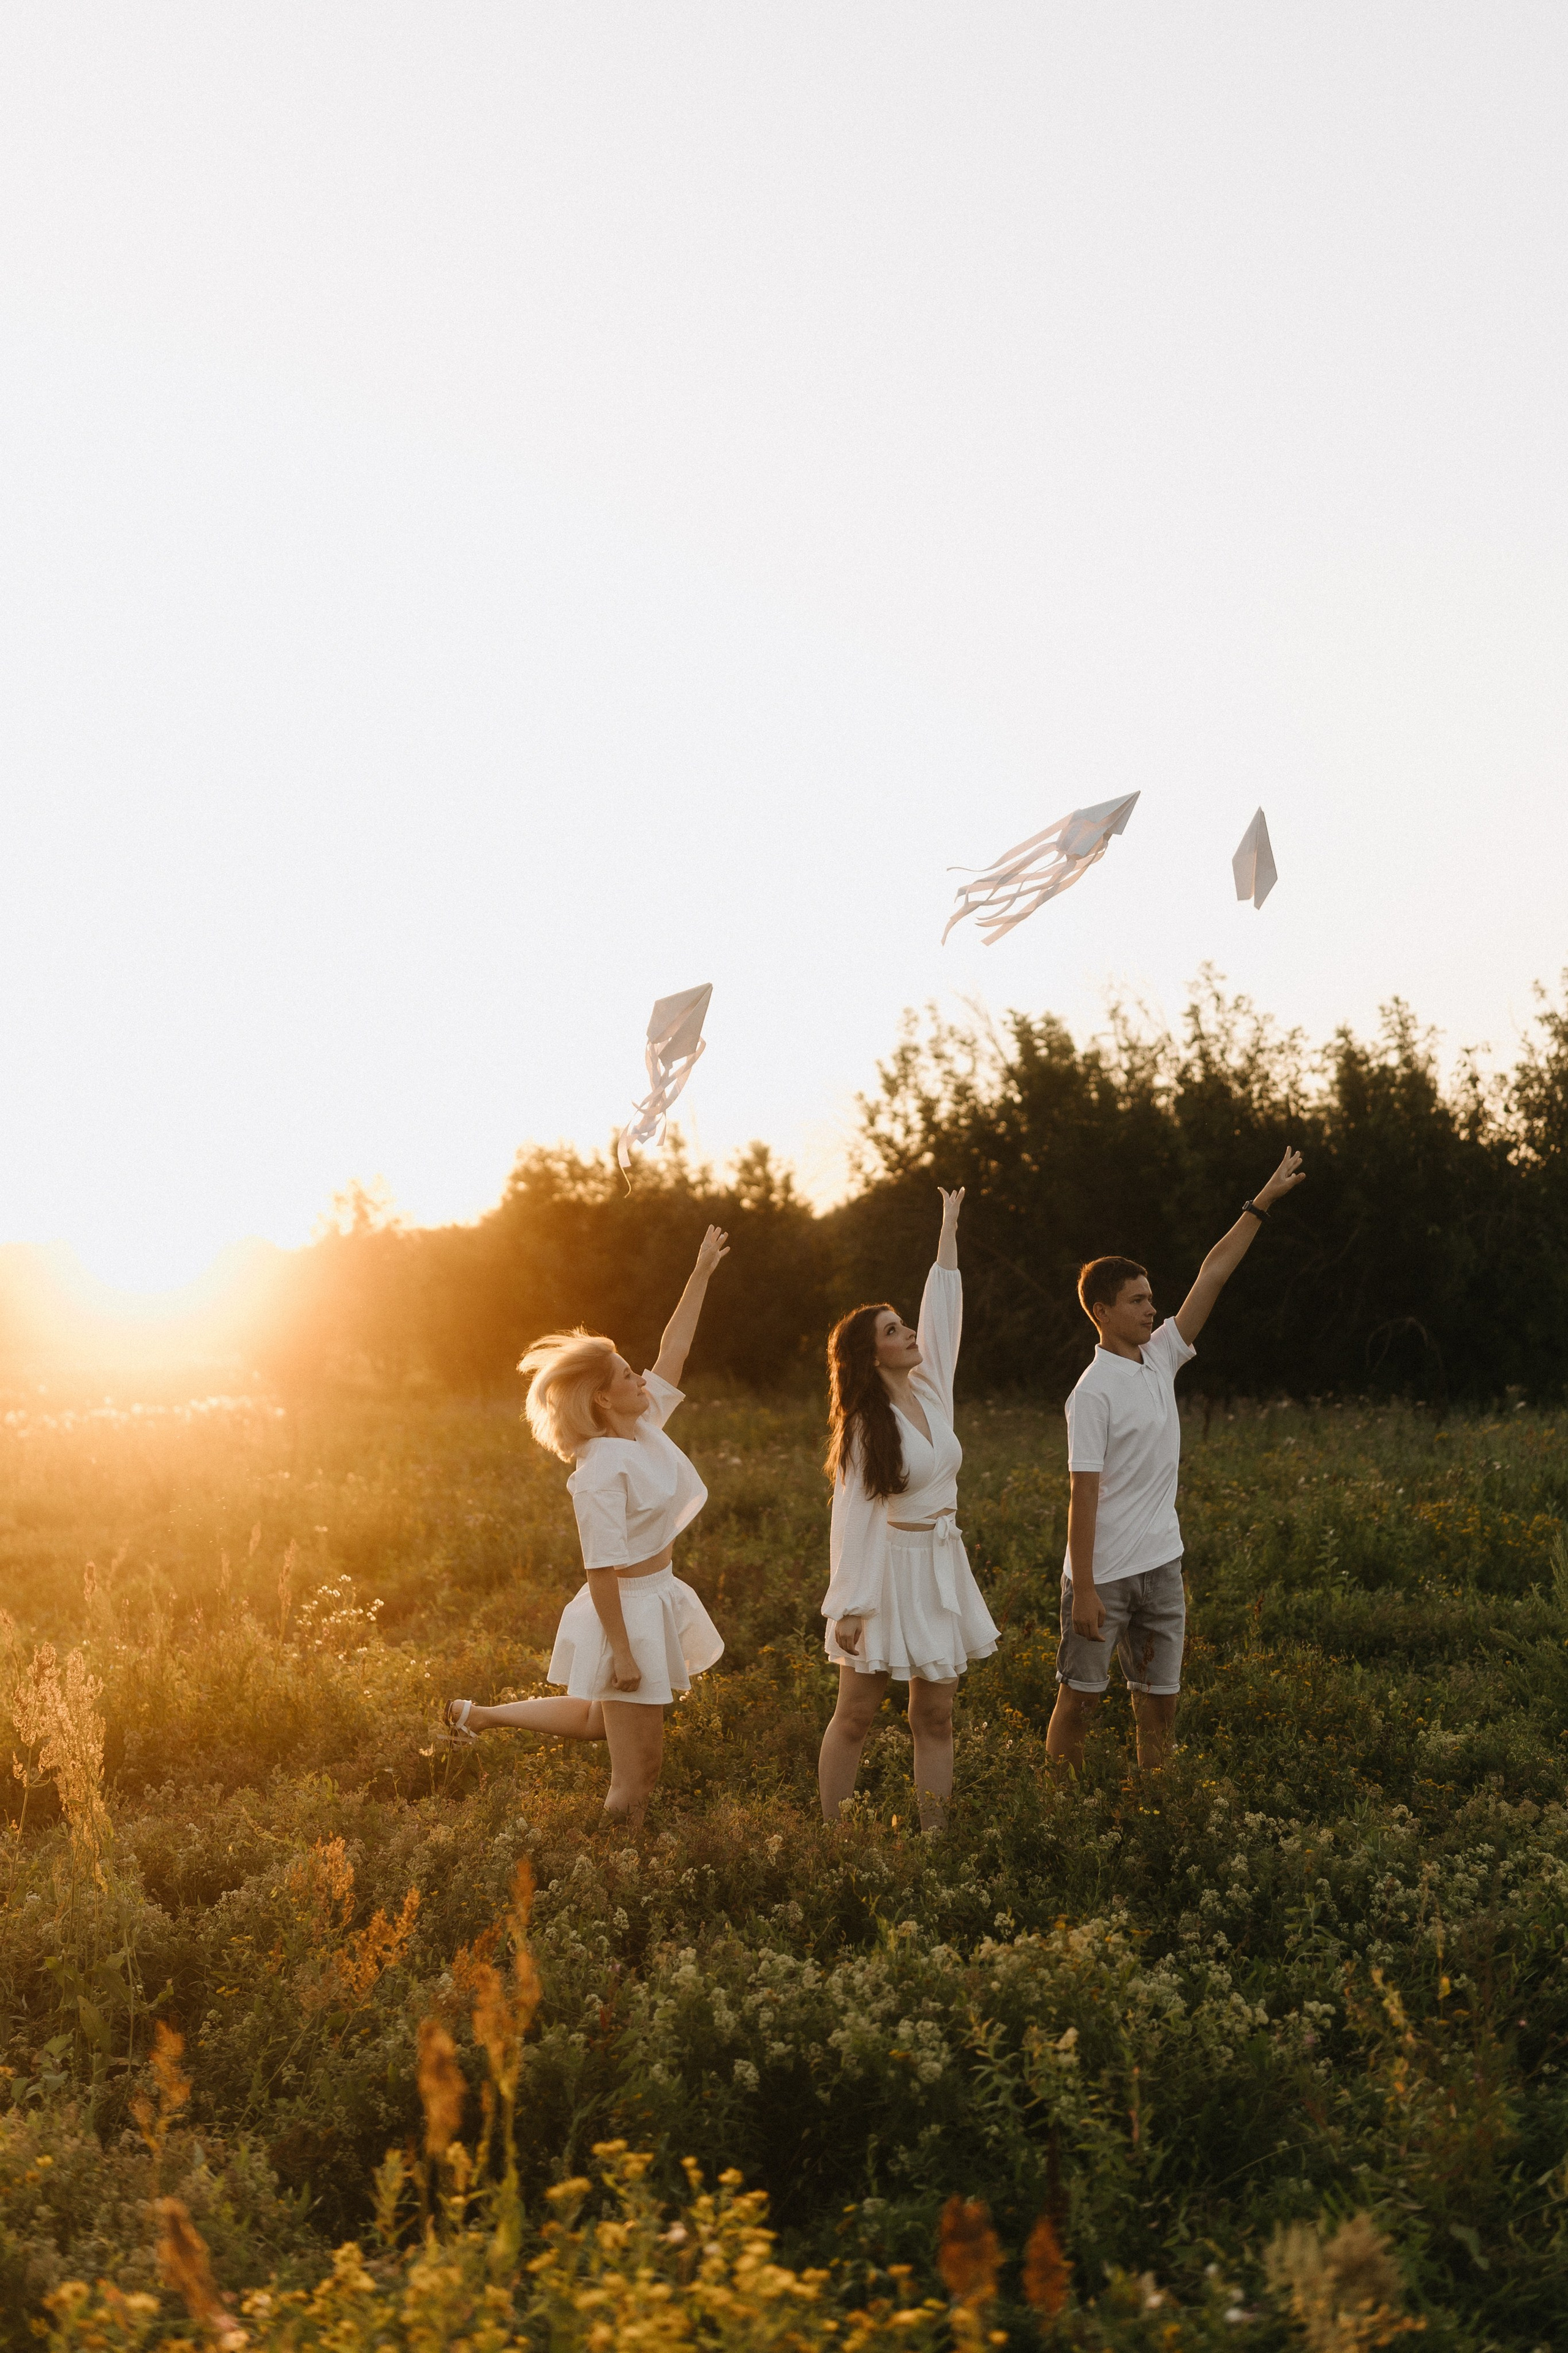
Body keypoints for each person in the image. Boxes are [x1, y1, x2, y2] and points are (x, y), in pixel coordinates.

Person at [443, 1226, 730, 1827]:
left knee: (596, 1719)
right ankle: (610, 1875)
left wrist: (701, 1272)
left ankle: (479, 1715)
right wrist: (624, 1652)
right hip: (626, 1609)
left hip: (654, 1596)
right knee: (638, 1774)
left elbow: (673, 1350)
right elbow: (599, 1570)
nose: (641, 1380)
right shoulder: (600, 1469)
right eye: (628, 1376)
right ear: (603, 1399)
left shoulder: (641, 1423)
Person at [1046, 1149, 1305, 1775]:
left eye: (1150, 1298)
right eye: (1136, 1301)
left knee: (1158, 1710)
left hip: (1162, 1569)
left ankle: (1156, 1817)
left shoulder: (1160, 1356)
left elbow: (1213, 1272)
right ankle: (1054, 1818)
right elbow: (1083, 1495)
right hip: (1101, 1577)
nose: (1150, 1309)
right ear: (1102, 1312)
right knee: (1078, 1703)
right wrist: (1083, 1588)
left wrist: (1260, 1202)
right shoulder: (1091, 1392)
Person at [817, 1187, 999, 1833]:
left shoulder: (931, 1388)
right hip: (887, 1573)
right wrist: (849, 1606)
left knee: (936, 1715)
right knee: (857, 1714)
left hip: (941, 1566)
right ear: (872, 1355)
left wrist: (947, 1227)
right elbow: (853, 1519)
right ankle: (834, 1839)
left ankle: (936, 1844)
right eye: (894, 1331)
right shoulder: (868, 1427)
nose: (910, 1333)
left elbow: (944, 1309)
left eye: (903, 1323)